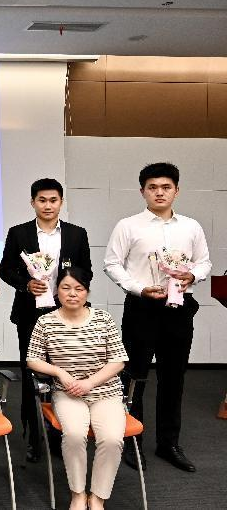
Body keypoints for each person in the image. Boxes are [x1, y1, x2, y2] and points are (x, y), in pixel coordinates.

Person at [104, 162, 210, 473]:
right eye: (152, 187)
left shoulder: (191, 227)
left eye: (166, 187)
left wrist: (192, 275)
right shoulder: (128, 225)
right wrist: (138, 288)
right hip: (142, 307)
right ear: (143, 192)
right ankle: (131, 440)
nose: (159, 192)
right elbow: (112, 264)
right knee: (134, 376)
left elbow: (204, 262)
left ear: (177, 190)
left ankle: (169, 443)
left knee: (173, 377)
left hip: (179, 308)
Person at [0, 178, 92, 462]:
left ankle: (60, 432)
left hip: (67, 314)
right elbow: (6, 270)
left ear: (61, 202)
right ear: (33, 202)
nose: (48, 205)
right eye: (42, 200)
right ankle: (33, 436)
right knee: (32, 373)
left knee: (65, 371)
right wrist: (26, 284)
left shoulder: (76, 234)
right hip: (30, 313)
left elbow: (87, 271)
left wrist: (69, 286)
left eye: (53, 200)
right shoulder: (19, 233)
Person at [27, 267, 128, 510]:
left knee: (112, 439)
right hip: (68, 393)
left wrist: (89, 382)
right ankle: (78, 494)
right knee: (73, 435)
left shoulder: (103, 319)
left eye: (79, 289)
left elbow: (118, 361)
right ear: (56, 291)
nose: (72, 294)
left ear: (87, 292)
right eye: (66, 288)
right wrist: (60, 372)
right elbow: (33, 359)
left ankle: (98, 497)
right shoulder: (45, 322)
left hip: (106, 392)